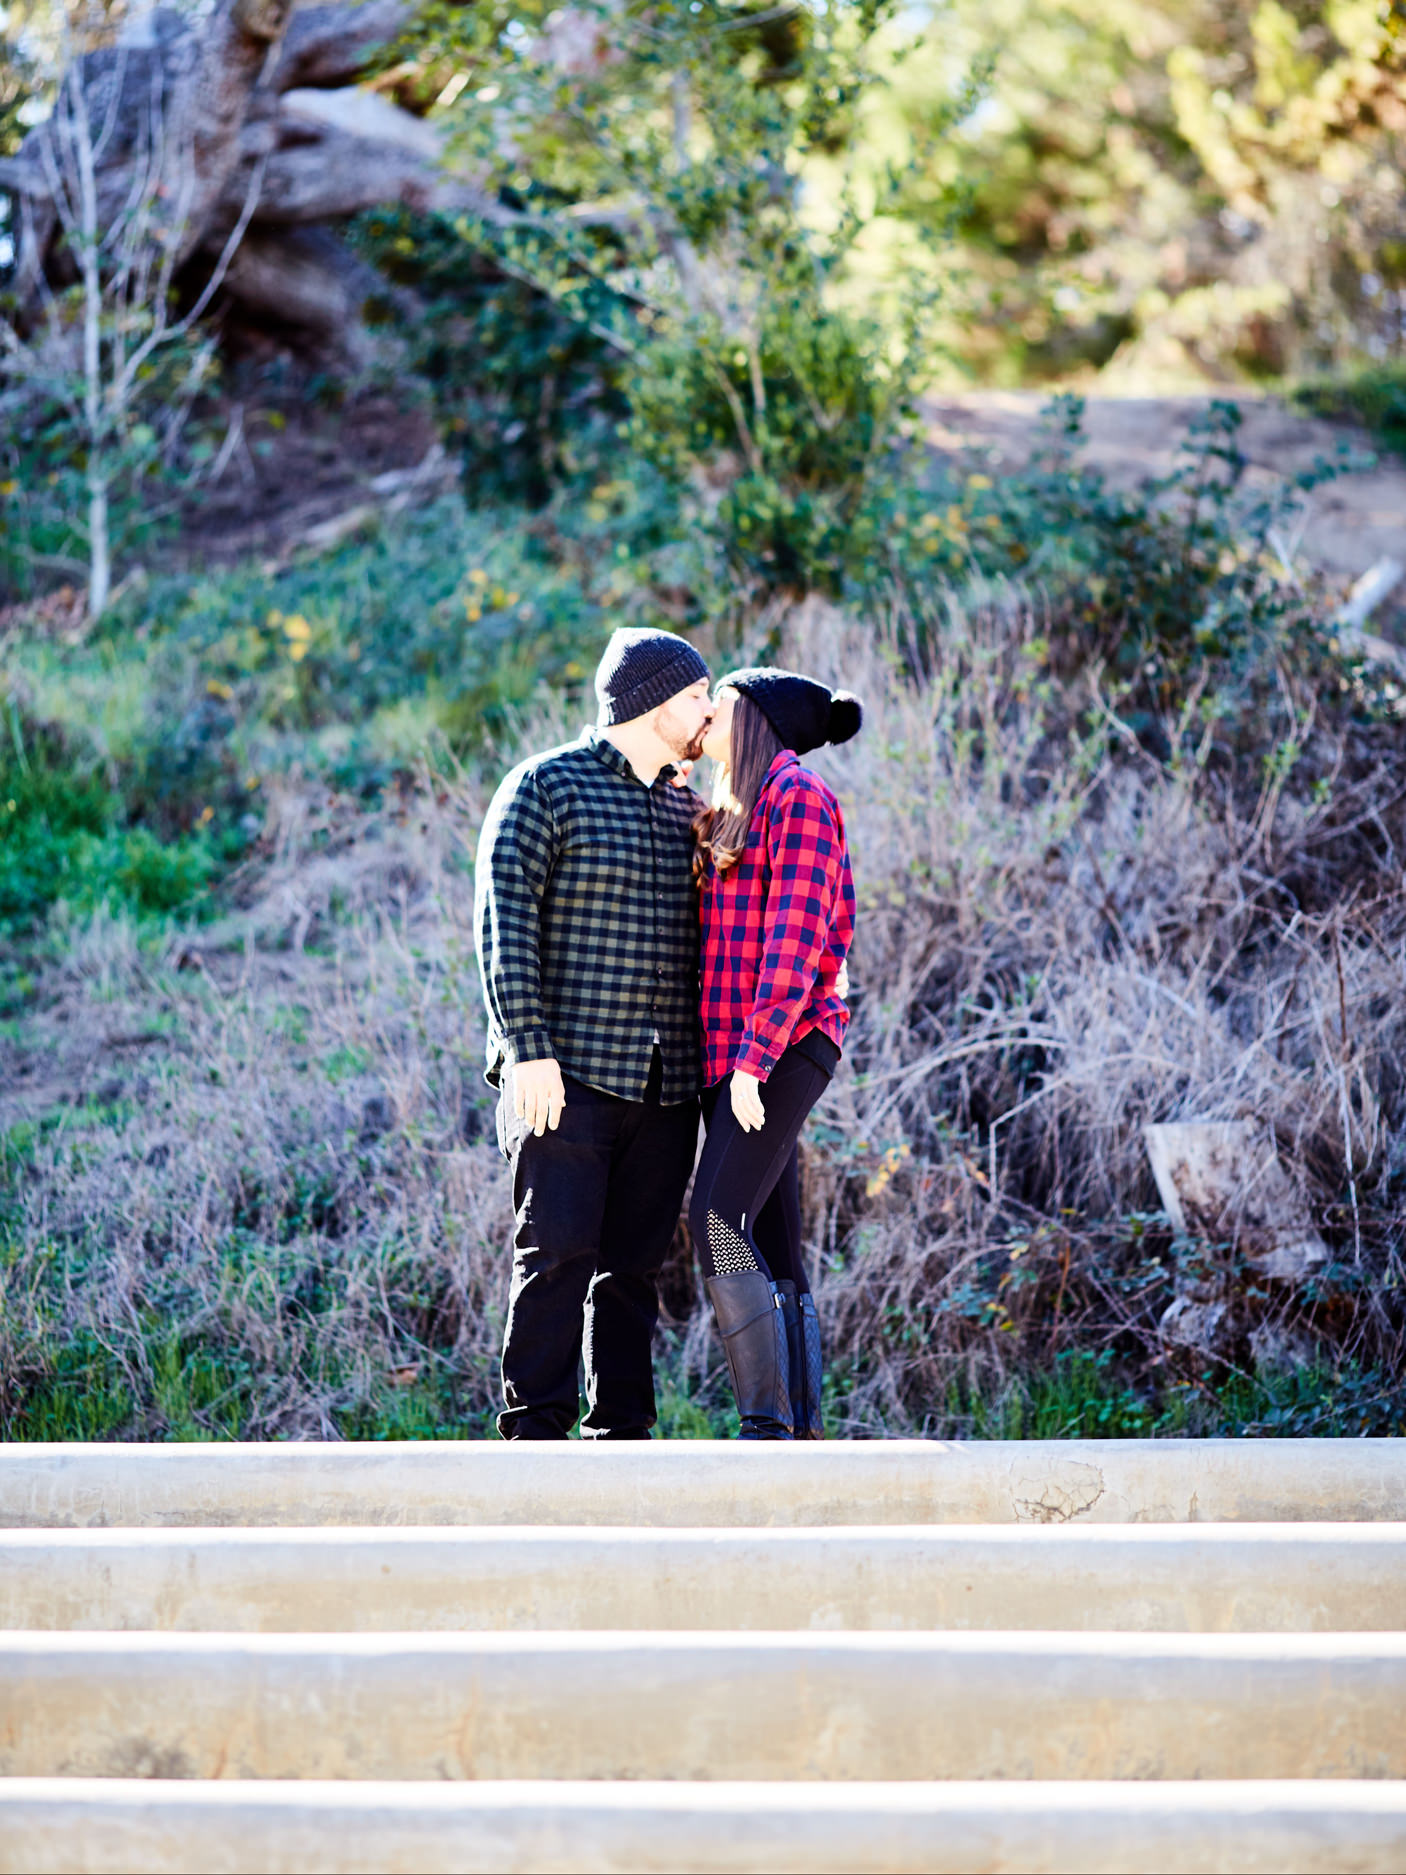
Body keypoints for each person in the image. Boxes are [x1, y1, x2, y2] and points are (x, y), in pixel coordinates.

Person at [475, 626, 714, 1439]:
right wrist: (524, 1049)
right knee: (555, 1258)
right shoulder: (544, 786)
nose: (709, 711)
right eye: (695, 696)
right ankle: (533, 1437)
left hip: (667, 1082)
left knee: (634, 1272)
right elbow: (504, 923)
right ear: (651, 702)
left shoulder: (688, 806)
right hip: (564, 1075)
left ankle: (622, 1437)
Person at [689, 667, 861, 1440]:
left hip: (783, 1045)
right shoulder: (739, 805)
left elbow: (793, 941)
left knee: (718, 1216)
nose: (705, 719)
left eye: (717, 706)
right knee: (770, 1233)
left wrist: (754, 1061)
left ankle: (765, 1423)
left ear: (753, 716)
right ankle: (800, 1429)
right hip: (742, 1052)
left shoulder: (799, 797)